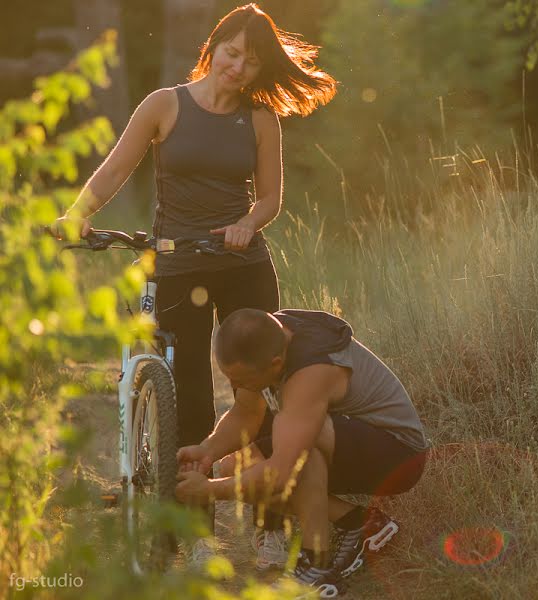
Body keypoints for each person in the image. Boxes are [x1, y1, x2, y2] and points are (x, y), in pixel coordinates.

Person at [50, 3, 337, 569]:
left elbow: (270, 199)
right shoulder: (165, 105)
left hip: (241, 264)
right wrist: (77, 213)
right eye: (231, 55)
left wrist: (245, 226)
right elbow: (115, 169)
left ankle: (269, 526)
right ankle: (198, 533)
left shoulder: (259, 119)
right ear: (214, 47)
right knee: (192, 398)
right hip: (177, 264)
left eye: (251, 63)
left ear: (260, 71)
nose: (237, 69)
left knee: (257, 395)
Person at [174, 308, 429, 596]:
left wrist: (209, 491)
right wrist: (206, 450)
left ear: (276, 363)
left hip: (399, 454)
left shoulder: (310, 372)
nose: (234, 386)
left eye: (240, 379)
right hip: (346, 437)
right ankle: (359, 523)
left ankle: (317, 567)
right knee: (232, 468)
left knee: (301, 444)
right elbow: (245, 414)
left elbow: (282, 471)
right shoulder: (268, 340)